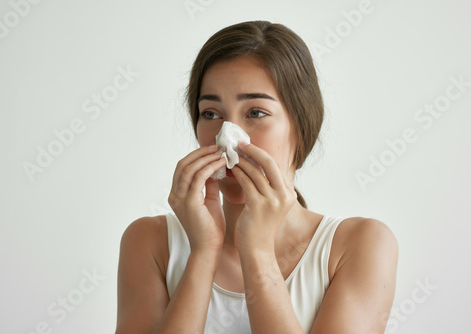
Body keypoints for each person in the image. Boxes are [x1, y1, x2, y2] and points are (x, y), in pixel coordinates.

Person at [116, 20, 398, 334]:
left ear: (301, 127)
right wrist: (203, 252)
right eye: (211, 113)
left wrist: (258, 252)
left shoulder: (359, 244)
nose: (226, 137)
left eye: (255, 113)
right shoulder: (150, 242)